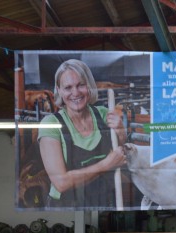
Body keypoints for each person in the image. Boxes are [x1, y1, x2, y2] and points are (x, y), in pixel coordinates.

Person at [38, 58, 127, 208]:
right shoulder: (51, 123)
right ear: (59, 90)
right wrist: (105, 165)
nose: (75, 93)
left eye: (81, 85)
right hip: (65, 207)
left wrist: (121, 131)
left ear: (89, 86)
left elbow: (121, 155)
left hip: (101, 201)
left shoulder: (104, 115)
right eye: (68, 87)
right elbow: (61, 183)